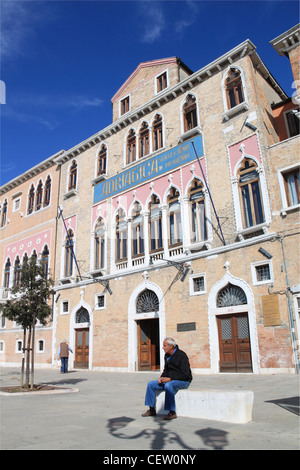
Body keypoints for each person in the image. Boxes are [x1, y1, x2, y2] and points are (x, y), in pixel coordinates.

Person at [142, 337, 192, 420]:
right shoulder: (167, 356)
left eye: (164, 346)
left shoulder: (182, 356)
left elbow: (185, 374)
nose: (162, 347)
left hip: (183, 381)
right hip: (171, 379)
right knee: (151, 384)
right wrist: (161, 378)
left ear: (171, 346)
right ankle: (151, 409)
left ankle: (172, 412)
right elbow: (166, 370)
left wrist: (170, 379)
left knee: (168, 386)